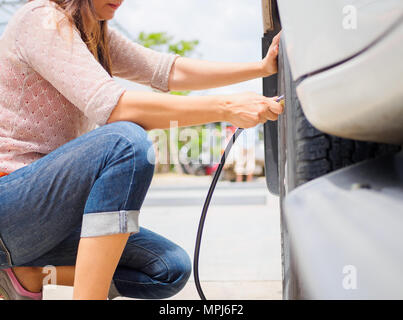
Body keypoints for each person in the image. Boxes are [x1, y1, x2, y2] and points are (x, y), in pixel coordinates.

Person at [0, 0, 283, 300]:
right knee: (126, 143)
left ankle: (25, 275)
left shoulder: (94, 35)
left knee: (167, 268)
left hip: (51, 219)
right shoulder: (42, 19)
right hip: (12, 207)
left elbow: (166, 71)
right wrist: (226, 107)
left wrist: (261, 68)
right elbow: (114, 106)